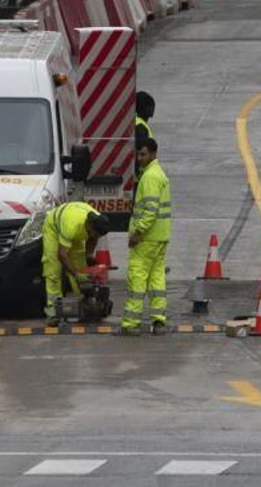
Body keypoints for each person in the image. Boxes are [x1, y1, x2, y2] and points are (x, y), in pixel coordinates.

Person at [121, 136, 173, 336]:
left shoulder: (150, 177)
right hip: (160, 237)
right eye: (138, 154)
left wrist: (138, 232)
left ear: (153, 154)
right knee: (157, 279)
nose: (139, 158)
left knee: (137, 278)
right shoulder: (159, 173)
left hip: (146, 239)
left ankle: (131, 323)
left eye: (143, 154)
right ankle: (159, 321)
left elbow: (150, 210)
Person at [41, 201, 108, 326]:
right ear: (89, 225)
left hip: (75, 228)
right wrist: (76, 274)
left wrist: (88, 256)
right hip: (54, 227)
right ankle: (53, 312)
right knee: (53, 269)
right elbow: (62, 255)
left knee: (81, 268)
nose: (95, 236)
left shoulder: (97, 221)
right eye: (94, 233)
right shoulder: (71, 226)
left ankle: (86, 307)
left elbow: (93, 238)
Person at [133, 90, 156, 179]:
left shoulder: (140, 124)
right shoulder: (140, 127)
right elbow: (141, 152)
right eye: (149, 105)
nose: (152, 109)